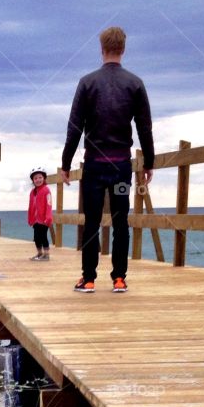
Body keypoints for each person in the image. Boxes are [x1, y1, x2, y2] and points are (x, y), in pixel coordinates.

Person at [59, 26, 154, 294]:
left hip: (94, 168)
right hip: (121, 167)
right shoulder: (135, 83)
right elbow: (145, 127)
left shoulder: (87, 82)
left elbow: (74, 127)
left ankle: (88, 279)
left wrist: (65, 164)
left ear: (101, 49)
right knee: (121, 220)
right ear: (123, 49)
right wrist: (149, 162)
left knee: (92, 221)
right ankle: (119, 278)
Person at [27, 166, 53, 260]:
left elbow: (49, 204)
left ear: (44, 178)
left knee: (43, 236)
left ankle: (46, 254)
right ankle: (39, 253)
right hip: (35, 220)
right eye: (35, 178)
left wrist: (48, 217)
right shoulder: (32, 192)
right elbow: (30, 206)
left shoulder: (46, 190)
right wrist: (30, 218)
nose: (38, 180)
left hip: (44, 219)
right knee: (36, 237)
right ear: (33, 180)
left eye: (40, 177)